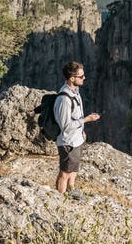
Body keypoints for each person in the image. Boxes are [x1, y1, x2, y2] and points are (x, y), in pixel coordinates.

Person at [54, 61, 100, 200]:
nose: (84, 78)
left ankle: (71, 190)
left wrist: (82, 131)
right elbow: (65, 125)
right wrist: (86, 120)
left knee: (73, 169)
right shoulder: (64, 99)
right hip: (68, 142)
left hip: (77, 139)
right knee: (65, 172)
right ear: (71, 78)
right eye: (81, 76)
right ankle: (60, 199)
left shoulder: (76, 92)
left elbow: (75, 116)